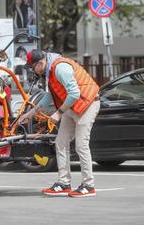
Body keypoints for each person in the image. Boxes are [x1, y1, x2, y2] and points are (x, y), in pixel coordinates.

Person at [19, 49, 100, 197]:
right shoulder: (49, 71)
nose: (33, 71)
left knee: (81, 145)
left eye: (32, 67)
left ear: (40, 63)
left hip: (87, 105)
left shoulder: (60, 68)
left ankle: (89, 185)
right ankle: (64, 183)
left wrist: (58, 113)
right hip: (72, 106)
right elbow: (48, 97)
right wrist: (30, 114)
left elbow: (74, 93)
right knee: (60, 142)